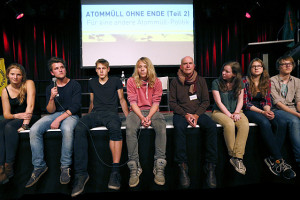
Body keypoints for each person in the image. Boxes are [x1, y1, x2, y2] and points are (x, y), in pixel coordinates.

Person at [71, 59, 129, 197]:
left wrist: (128, 117)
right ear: (96, 70)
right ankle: (81, 174)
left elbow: (121, 99)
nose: (101, 70)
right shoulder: (92, 82)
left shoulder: (115, 81)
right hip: (96, 113)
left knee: (115, 128)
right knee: (79, 127)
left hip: (111, 114)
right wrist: (88, 117)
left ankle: (115, 172)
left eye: (104, 68)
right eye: (98, 68)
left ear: (108, 69)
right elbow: (91, 101)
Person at [25, 57, 82, 188]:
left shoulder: (75, 85)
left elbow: (75, 107)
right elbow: (50, 110)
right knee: (34, 129)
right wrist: (51, 97)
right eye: (56, 68)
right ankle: (39, 166)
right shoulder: (51, 87)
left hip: (71, 114)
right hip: (55, 114)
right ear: (52, 73)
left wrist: (58, 119)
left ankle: (65, 166)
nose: (60, 70)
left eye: (62, 67)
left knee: (67, 129)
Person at [169, 56, 218, 189]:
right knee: (178, 128)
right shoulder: (174, 82)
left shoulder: (201, 80)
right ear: (181, 66)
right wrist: (185, 115)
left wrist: (196, 115)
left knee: (211, 126)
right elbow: (172, 103)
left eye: (190, 63)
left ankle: (210, 166)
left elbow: (206, 102)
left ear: (194, 65)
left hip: (198, 113)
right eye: (185, 64)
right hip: (181, 114)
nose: (188, 66)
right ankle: (182, 167)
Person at [243, 58, 296, 179]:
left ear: (263, 69)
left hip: (263, 108)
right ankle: (278, 159)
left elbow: (267, 100)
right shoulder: (244, 81)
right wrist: (263, 112)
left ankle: (271, 158)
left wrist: (267, 110)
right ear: (250, 69)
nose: (256, 68)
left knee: (281, 122)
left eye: (259, 66)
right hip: (249, 110)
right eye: (254, 66)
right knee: (264, 122)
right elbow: (246, 103)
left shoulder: (266, 81)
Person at [126, 57, 167, 188]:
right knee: (130, 129)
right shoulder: (131, 81)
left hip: (152, 111)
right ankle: (134, 166)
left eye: (144, 66)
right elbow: (132, 102)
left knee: (161, 128)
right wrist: (142, 117)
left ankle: (159, 165)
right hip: (136, 111)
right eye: (139, 66)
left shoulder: (157, 82)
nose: (142, 69)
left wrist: (148, 116)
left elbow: (156, 102)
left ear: (149, 68)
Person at [0, 63, 40, 184]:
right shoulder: (5, 90)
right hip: (17, 117)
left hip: (32, 116)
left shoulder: (29, 83)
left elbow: (30, 106)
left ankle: (9, 166)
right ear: (8, 75)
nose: (15, 77)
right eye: (12, 74)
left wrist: (25, 125)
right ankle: (1, 168)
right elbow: (6, 114)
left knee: (9, 126)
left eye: (18, 74)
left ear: (22, 76)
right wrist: (16, 116)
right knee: (1, 124)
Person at [211, 61, 249, 175]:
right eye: (223, 70)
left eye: (227, 71)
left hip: (236, 111)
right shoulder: (216, 82)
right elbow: (218, 102)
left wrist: (237, 112)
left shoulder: (240, 83)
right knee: (229, 124)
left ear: (234, 74)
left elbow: (241, 100)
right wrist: (229, 115)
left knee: (244, 125)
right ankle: (233, 155)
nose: (223, 73)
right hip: (219, 112)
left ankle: (238, 157)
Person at [270, 55, 300, 168]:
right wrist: (297, 114)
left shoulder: (297, 81)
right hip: (278, 110)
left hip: (292, 109)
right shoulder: (272, 81)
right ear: (278, 67)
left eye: (290, 64)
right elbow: (278, 104)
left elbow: (298, 102)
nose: (288, 66)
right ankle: (299, 159)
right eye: (284, 64)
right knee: (294, 121)